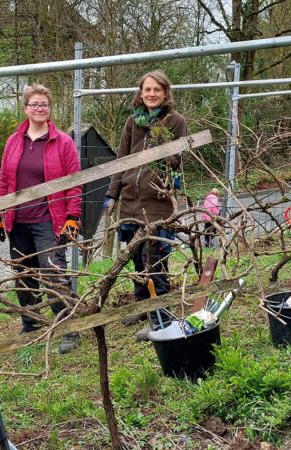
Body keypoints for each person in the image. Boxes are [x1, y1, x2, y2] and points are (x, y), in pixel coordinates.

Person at [0, 84, 82, 354]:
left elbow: (75, 183)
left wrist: (72, 216)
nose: (39, 108)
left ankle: (68, 328)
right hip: (18, 220)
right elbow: (4, 181)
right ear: (25, 108)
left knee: (53, 272)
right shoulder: (13, 141)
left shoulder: (62, 142)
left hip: (49, 219)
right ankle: (31, 325)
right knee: (23, 273)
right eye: (34, 104)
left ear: (49, 108)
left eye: (44, 104)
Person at [102, 70, 188, 341]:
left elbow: (176, 160)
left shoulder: (175, 121)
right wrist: (113, 193)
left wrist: (160, 135)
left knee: (155, 261)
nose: (151, 94)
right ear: (140, 93)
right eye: (146, 89)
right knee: (138, 259)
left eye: (156, 90)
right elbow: (121, 159)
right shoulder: (132, 122)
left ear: (165, 93)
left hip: (157, 203)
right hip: (130, 202)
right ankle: (142, 305)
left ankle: (159, 318)